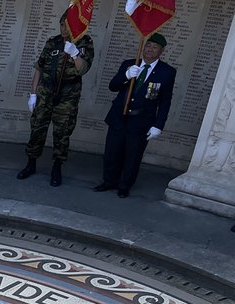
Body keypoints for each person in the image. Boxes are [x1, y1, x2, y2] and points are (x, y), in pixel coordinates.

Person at [17, 12, 94, 186]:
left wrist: (75, 54)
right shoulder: (53, 42)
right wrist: (33, 93)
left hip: (67, 96)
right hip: (46, 92)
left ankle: (57, 168)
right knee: (37, 128)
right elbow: (39, 67)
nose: (64, 29)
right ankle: (31, 164)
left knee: (62, 134)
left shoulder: (85, 43)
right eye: (61, 25)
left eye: (67, 25)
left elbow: (82, 70)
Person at [95, 33, 175, 198]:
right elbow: (113, 86)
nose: (150, 50)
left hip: (141, 120)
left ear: (162, 51)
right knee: (112, 151)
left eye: (155, 47)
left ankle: (124, 185)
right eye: (148, 45)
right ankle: (109, 181)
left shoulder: (166, 72)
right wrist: (126, 76)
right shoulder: (130, 64)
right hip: (119, 117)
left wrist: (158, 125)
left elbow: (165, 101)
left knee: (133, 155)